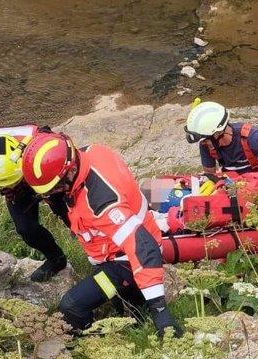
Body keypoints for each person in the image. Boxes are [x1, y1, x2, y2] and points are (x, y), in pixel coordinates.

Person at [20, 130, 182, 337]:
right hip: (121, 250)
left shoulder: (101, 203)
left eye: (55, 188)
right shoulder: (92, 152)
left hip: (124, 264)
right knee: (124, 307)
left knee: (72, 306)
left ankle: (90, 344)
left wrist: (160, 310)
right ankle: (133, 305)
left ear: (69, 173)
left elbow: (142, 246)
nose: (53, 194)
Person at [0, 124, 72, 283]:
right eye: (1, 184)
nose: (8, 186)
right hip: (21, 187)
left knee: (72, 217)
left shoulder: (39, 152)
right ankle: (56, 258)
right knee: (25, 228)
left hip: (40, 170)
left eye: (10, 182)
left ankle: (102, 259)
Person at [185, 101, 258, 177]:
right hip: (231, 183)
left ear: (218, 133)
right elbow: (210, 174)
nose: (204, 144)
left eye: (205, 140)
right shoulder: (206, 145)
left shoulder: (251, 137)